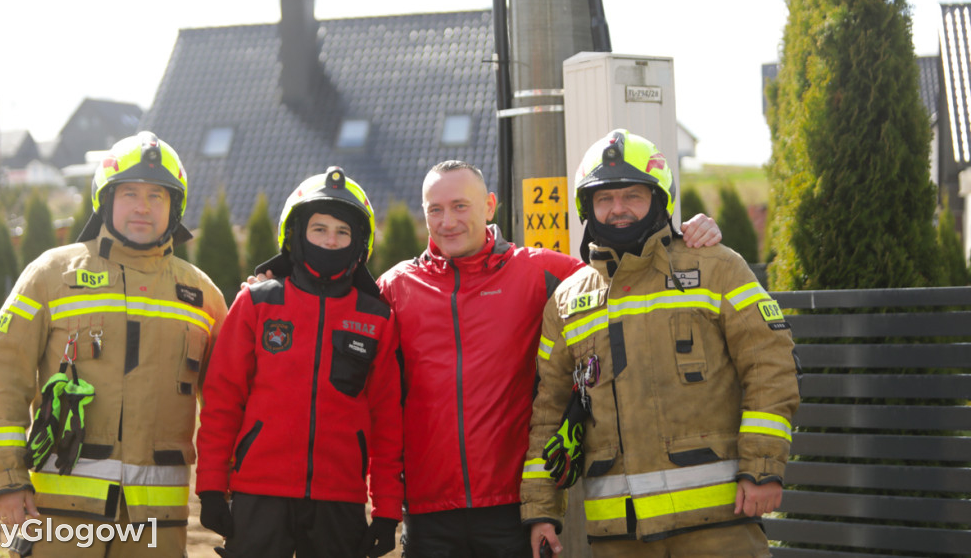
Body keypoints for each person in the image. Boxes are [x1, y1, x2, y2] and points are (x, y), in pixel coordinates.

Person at [376, 159, 722, 557]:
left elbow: (628, 269)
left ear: (489, 206)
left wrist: (685, 238)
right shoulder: (397, 287)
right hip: (427, 512)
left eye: (459, 206)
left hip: (513, 508)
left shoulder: (540, 272)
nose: (447, 221)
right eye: (434, 209)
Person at [521, 130, 800, 557]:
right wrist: (543, 509)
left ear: (659, 199)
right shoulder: (566, 301)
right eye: (604, 199)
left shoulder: (716, 266)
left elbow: (770, 367)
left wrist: (763, 469)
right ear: (587, 208)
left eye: (633, 195)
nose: (618, 210)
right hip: (621, 537)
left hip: (720, 525)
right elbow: (548, 412)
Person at [0, 131, 227, 557]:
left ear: (175, 207)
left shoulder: (204, 296)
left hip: (157, 529)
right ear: (105, 199)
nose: (143, 207)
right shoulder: (50, 275)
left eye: (157, 196)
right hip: (59, 519)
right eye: (129, 193)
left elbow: (230, 404)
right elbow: (4, 376)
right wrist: (7, 481)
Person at [195, 167, 402, 558]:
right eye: (319, 229)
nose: (331, 240)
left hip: (340, 500)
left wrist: (388, 509)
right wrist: (210, 487)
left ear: (360, 242)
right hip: (258, 493)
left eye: (343, 232)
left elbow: (388, 419)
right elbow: (223, 400)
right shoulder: (256, 303)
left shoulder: (378, 318)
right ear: (295, 235)